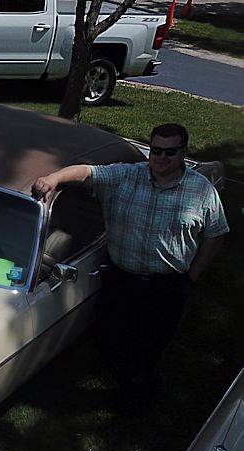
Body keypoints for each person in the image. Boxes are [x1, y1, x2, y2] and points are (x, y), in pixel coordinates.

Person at [32, 123, 229, 391]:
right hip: (121, 279)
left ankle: (138, 390)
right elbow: (87, 172)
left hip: (168, 285)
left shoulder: (202, 191)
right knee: (110, 337)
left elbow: (217, 233)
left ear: (183, 152)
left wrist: (192, 276)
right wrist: (54, 178)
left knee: (152, 343)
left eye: (170, 152)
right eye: (156, 150)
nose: (161, 157)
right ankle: (126, 379)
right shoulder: (125, 176)